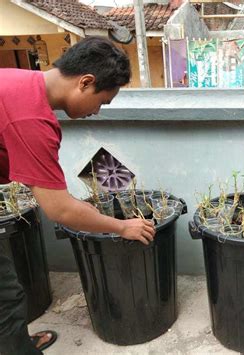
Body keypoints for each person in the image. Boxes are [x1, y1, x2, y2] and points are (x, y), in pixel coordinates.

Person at [0, 36, 155, 354]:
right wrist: (123, 226)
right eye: (102, 102)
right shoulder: (32, 119)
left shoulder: (16, 80)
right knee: (6, 298)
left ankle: (12, 342)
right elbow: (60, 210)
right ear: (86, 82)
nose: (97, 112)